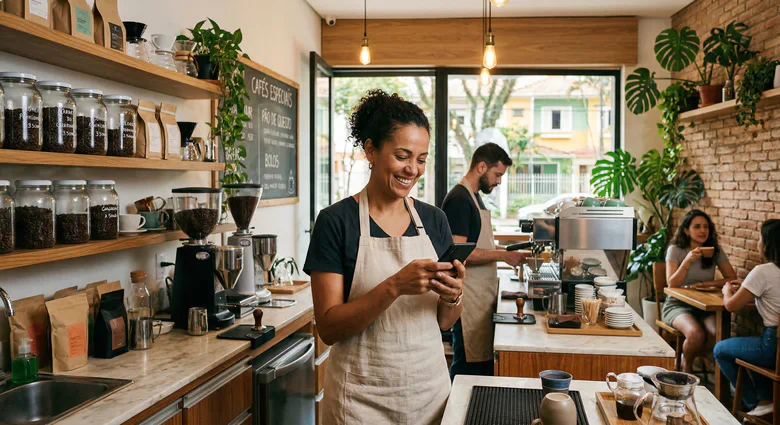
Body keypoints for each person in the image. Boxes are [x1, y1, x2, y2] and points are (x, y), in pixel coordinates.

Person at [304, 89, 466, 424]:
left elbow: (444, 321)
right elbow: (329, 328)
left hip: (428, 395)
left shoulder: (435, 220)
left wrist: (454, 295)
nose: (412, 169)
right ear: (371, 150)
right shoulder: (336, 222)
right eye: (403, 156)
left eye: (421, 159)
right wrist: (393, 286)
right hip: (359, 401)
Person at [442, 143, 528, 379]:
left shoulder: (475, 198)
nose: (499, 181)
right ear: (481, 166)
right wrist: (502, 255)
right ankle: (456, 415)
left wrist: (511, 252)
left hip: (480, 296)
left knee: (478, 366)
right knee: (465, 367)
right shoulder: (459, 200)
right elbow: (460, 253)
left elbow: (480, 246)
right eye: (497, 174)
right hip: (467, 298)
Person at [715, 219, 780, 417]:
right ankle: (765, 399)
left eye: (760, 238)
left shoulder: (763, 271)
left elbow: (731, 305)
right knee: (748, 350)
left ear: (768, 244)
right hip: (777, 347)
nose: (757, 243)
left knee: (721, 350)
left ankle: (754, 405)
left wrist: (727, 290)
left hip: (772, 346)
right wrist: (748, 286)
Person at [664, 209, 737, 373]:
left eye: (706, 227)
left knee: (716, 334)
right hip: (677, 305)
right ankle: (686, 367)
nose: (703, 230)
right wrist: (687, 260)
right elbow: (672, 284)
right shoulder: (675, 250)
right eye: (697, 226)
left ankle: (694, 359)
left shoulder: (714, 251)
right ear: (686, 230)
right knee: (696, 334)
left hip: (704, 306)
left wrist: (706, 283)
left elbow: (731, 278)